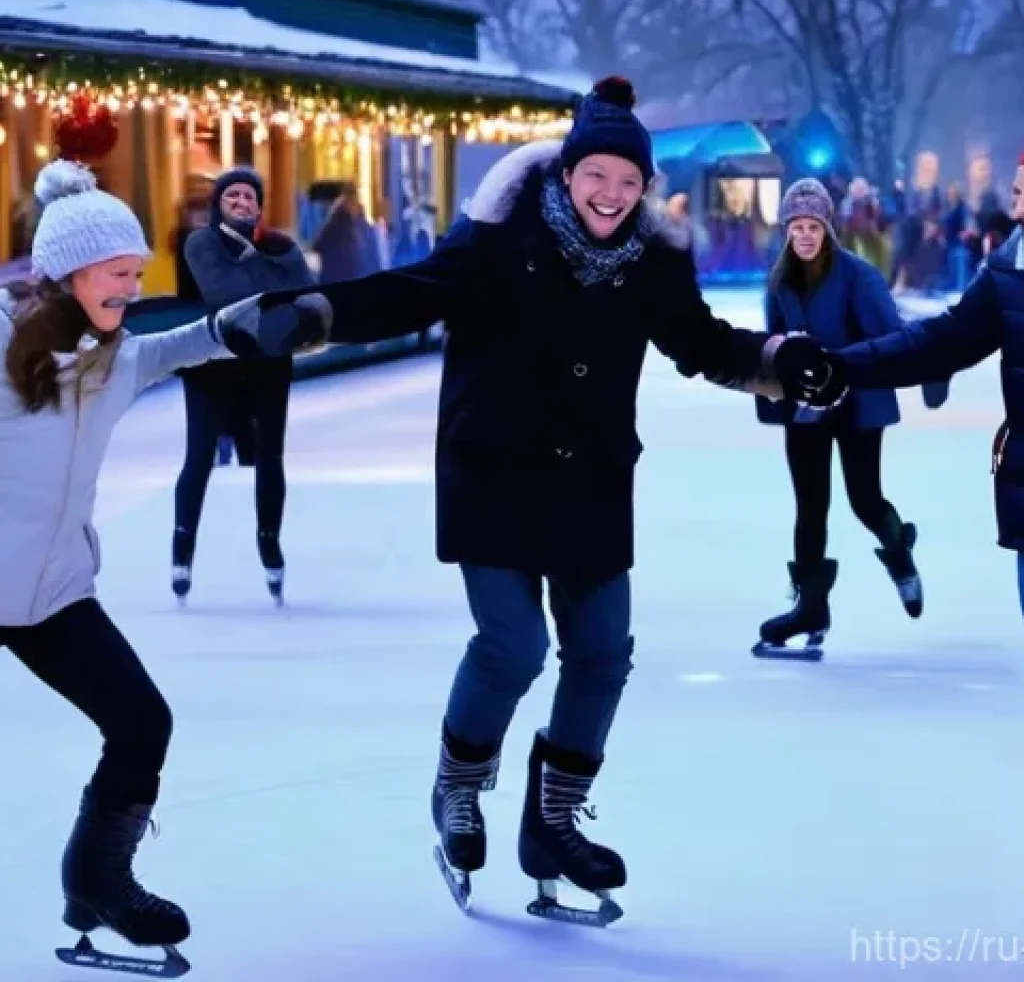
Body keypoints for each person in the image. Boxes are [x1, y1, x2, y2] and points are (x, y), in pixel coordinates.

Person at [241, 77, 837, 924]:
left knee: (602, 652)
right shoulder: (498, 240)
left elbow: (701, 344)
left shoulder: (655, 260)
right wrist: (314, 314)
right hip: (495, 473)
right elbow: (412, 291)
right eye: (599, 176)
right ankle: (457, 786)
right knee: (513, 646)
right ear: (567, 172)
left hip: (591, 479)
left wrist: (784, 358)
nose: (613, 195)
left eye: (630, 183)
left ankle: (552, 823)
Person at [0, 160, 292, 975]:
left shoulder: (110, 355)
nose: (132, 288)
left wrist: (239, 323)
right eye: (118, 274)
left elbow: (174, 349)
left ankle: (97, 880)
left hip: (51, 589)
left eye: (137, 273)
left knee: (140, 722)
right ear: (65, 273)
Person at [819, 157, 1024, 615]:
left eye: (1019, 194)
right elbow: (939, 342)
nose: (1014, 210)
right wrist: (842, 365)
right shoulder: (1009, 271)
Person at [752, 179, 923, 661]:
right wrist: (778, 391)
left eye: (813, 226)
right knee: (810, 504)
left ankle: (899, 552)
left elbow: (891, 336)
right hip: (807, 406)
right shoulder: (780, 280)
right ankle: (810, 605)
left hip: (858, 405)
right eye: (796, 227)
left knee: (863, 497)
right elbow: (774, 344)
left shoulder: (858, 276)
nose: (805, 236)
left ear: (828, 228)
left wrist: (839, 364)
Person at [172, 167, 316, 605]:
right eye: (232, 195)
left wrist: (264, 280)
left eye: (249, 196)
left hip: (267, 365)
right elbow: (225, 293)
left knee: (271, 455)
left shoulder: (281, 247)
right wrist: (266, 281)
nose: (241, 202)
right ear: (219, 204)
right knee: (198, 456)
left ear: (259, 205)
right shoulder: (202, 242)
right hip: (211, 365)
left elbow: (305, 291)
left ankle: (269, 541)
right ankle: (182, 547)